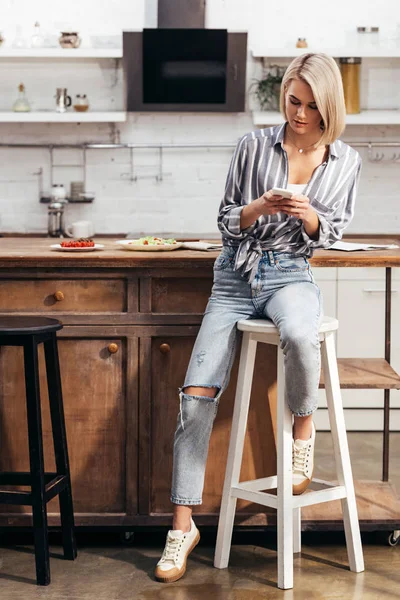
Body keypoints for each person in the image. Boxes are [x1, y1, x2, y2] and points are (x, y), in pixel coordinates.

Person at [155, 52, 362, 583]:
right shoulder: (253, 146)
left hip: (290, 273)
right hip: (233, 277)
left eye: (312, 106)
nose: (299, 113)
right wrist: (256, 210)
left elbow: (333, 233)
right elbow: (226, 217)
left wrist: (311, 217)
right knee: (196, 391)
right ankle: (183, 526)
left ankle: (303, 427)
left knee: (299, 332)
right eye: (293, 101)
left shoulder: (345, 163)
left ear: (328, 107)